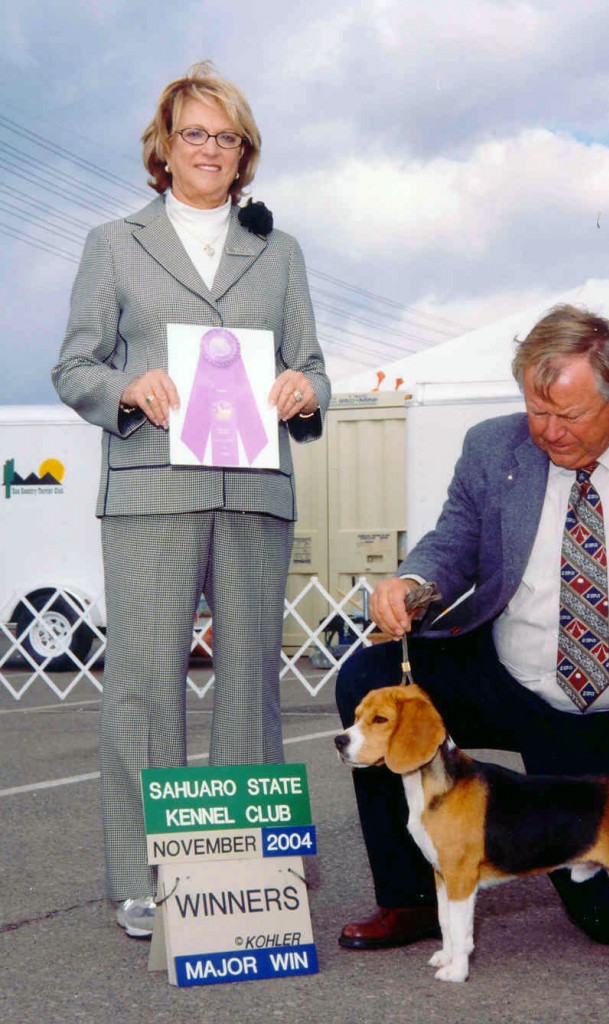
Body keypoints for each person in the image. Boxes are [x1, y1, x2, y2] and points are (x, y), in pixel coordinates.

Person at [336, 303, 609, 950]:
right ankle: (412, 895)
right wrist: (414, 582)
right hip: (502, 676)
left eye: (568, 414)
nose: (549, 432)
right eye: (535, 411)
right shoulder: (493, 446)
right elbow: (454, 540)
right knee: (372, 678)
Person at [52, 62, 329, 938]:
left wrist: (303, 390)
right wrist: (127, 387)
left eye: (227, 136)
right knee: (142, 685)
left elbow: (314, 367)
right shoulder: (113, 243)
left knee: (250, 684)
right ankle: (144, 875)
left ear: (244, 155)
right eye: (194, 134)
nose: (210, 149)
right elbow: (74, 366)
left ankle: (248, 869)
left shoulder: (280, 253)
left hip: (254, 491)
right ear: (163, 149)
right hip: (152, 488)